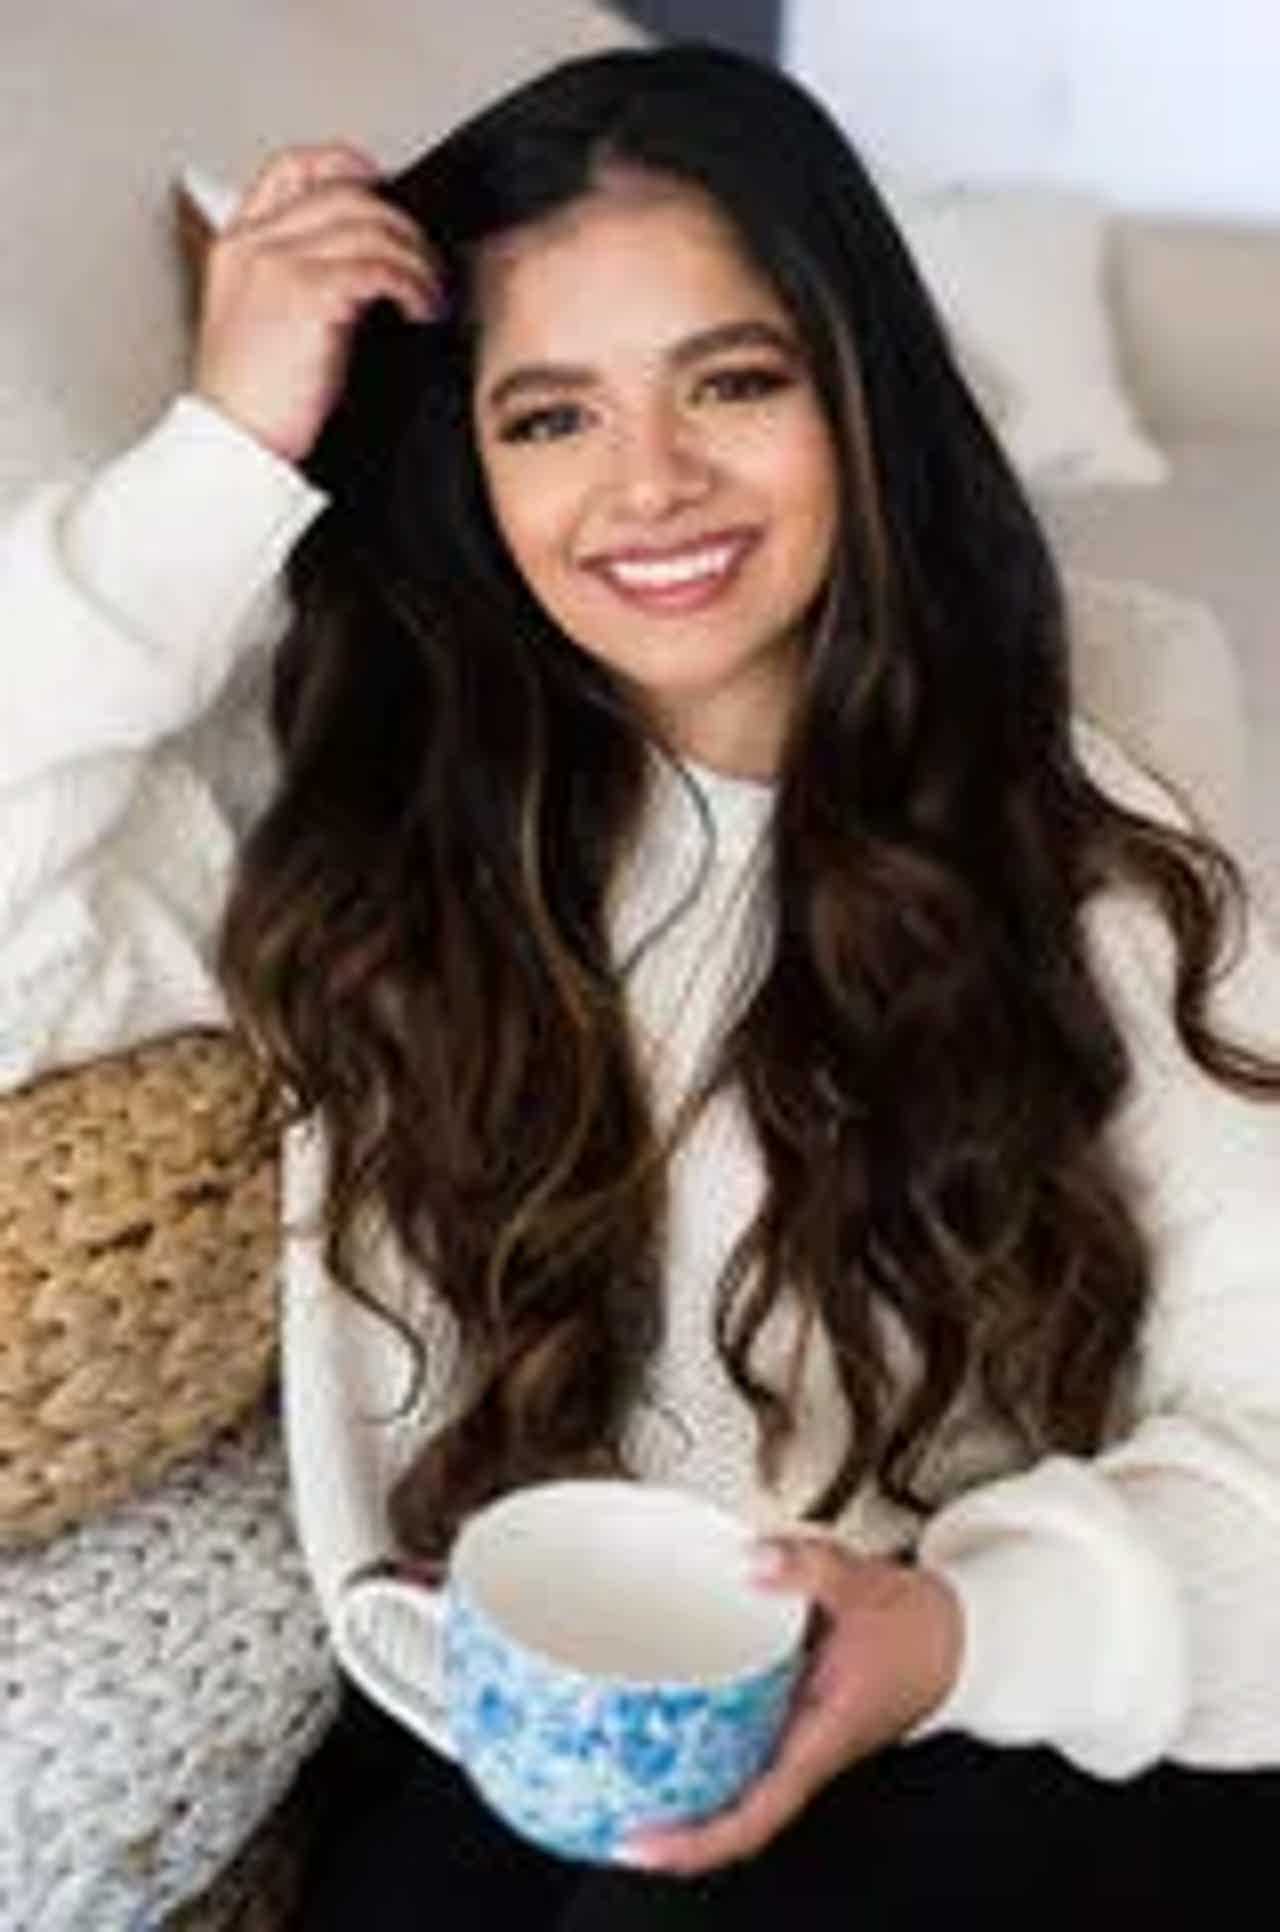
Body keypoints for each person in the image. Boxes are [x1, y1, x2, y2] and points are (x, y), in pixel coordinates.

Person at [3, 39, 1280, 1928]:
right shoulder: (341, 813)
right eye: (549, 417)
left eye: (735, 383)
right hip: (505, 1750)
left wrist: (951, 1636)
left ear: (861, 399)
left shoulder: (1099, 771)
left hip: (989, 1703)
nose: (651, 486)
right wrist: (220, 457)